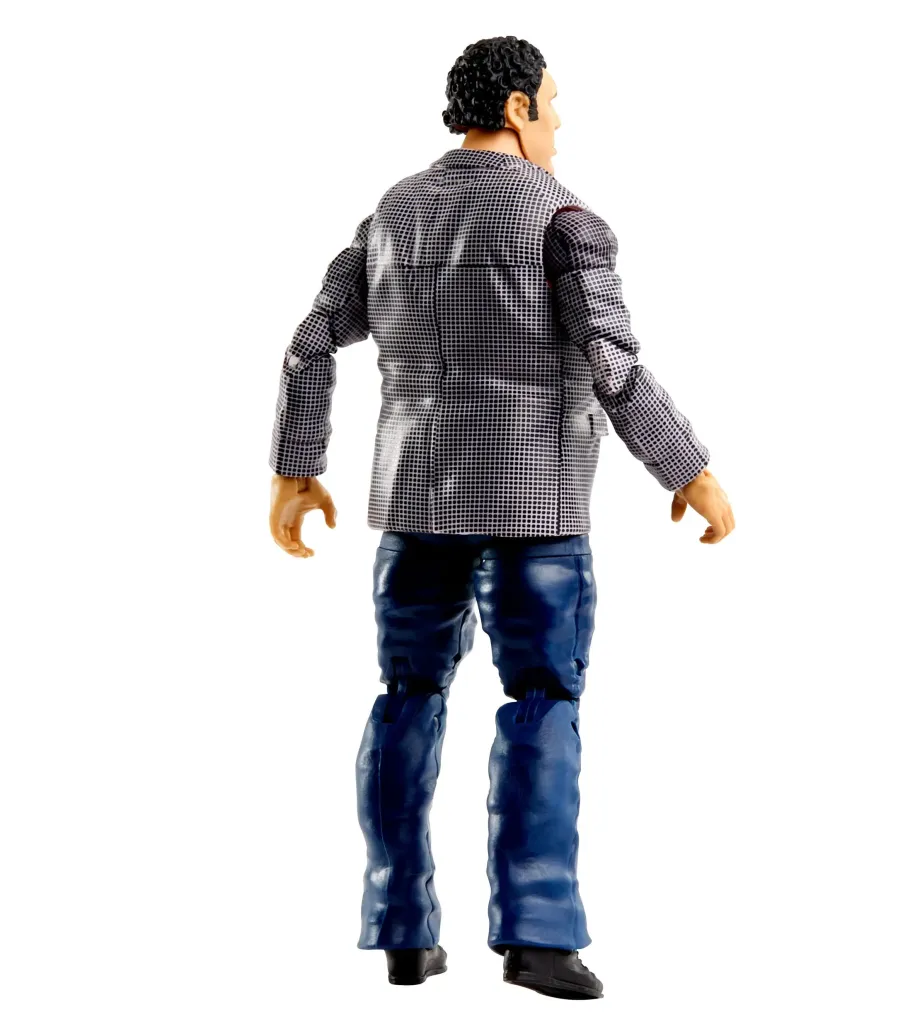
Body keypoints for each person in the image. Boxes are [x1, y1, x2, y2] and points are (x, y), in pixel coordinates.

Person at [268, 36, 735, 1000]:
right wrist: (687, 468)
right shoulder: (564, 222)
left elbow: (309, 343)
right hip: (536, 511)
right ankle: (538, 937)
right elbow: (613, 367)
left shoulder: (391, 214)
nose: (559, 124)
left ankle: (401, 930)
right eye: (552, 105)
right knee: (542, 706)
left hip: (412, 506)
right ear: (517, 108)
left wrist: (294, 470)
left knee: (406, 699)